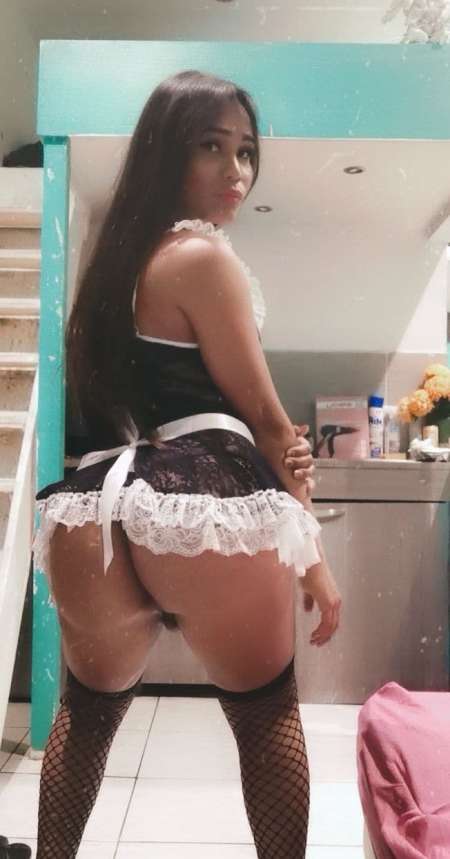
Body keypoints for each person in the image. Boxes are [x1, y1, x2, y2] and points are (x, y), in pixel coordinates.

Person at [6, 70, 341, 859]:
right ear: (167, 151)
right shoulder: (202, 256)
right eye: (211, 147)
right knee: (265, 717)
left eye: (246, 151)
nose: (237, 171)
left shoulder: (111, 265)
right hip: (204, 496)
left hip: (95, 511)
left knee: (87, 720)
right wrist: (315, 564)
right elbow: (269, 424)